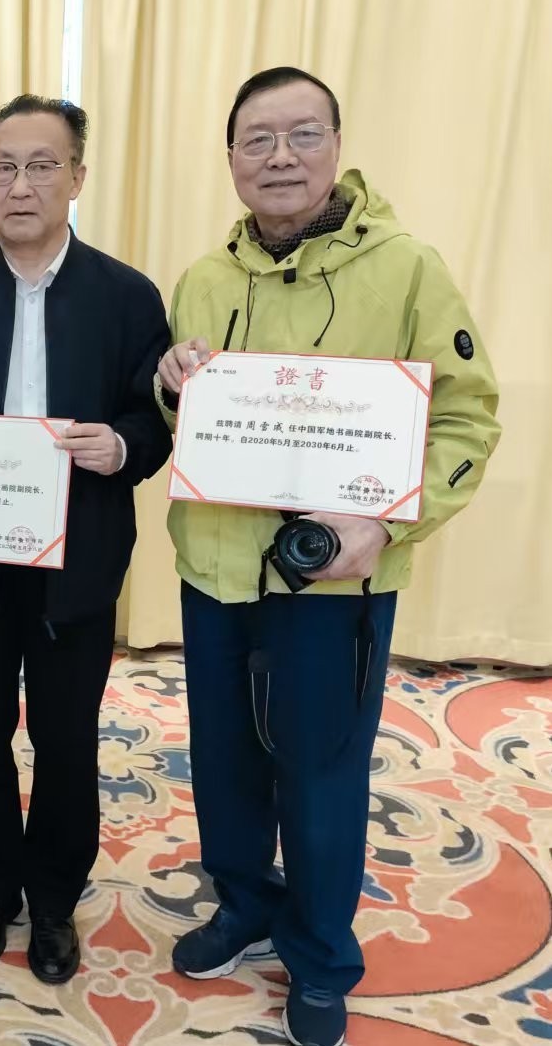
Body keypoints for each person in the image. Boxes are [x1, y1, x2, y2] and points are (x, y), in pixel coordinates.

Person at [156, 67, 500, 1046]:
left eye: (302, 134)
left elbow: (468, 417)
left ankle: (317, 954)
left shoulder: (408, 268)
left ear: (337, 147)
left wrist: (384, 525)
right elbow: (188, 421)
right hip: (215, 567)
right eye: (257, 140)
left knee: (319, 772)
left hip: (333, 579)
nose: (280, 158)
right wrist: (170, 383)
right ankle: (243, 903)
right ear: (230, 158)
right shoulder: (204, 277)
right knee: (224, 760)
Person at [0, 95, 172, 983]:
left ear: (76, 177)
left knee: (65, 737)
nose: (20, 185)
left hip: (77, 560)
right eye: (2, 167)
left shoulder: (126, 296)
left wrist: (121, 445)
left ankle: (52, 900)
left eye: (41, 165)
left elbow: (154, 420)